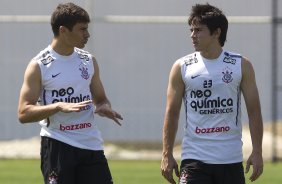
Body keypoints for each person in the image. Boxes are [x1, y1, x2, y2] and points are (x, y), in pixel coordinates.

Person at [18, 3, 123, 184]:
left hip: (91, 144)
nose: (87, 34)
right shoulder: (39, 65)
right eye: (82, 29)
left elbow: (101, 99)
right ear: (63, 30)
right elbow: (23, 112)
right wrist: (58, 106)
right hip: (58, 145)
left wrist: (104, 107)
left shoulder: (88, 61)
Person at [161, 3, 263, 184]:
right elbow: (172, 113)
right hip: (194, 159)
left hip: (230, 160)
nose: (193, 35)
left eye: (198, 30)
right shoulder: (181, 66)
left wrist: (257, 151)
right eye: (191, 30)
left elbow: (254, 112)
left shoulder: (241, 65)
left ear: (217, 33)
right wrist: (167, 154)